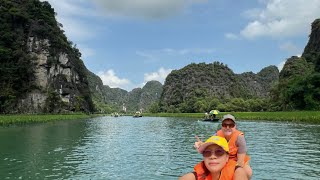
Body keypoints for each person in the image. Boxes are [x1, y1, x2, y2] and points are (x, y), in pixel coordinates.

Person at [194, 114, 252, 179]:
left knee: (247, 172)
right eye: (225, 125)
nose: (227, 127)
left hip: (236, 160)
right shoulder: (217, 134)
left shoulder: (239, 138)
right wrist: (201, 144)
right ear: (221, 126)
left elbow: (240, 161)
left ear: (235, 126)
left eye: (231, 125)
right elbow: (209, 145)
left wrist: (234, 171)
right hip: (221, 158)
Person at [179, 136, 248, 180]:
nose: (212, 156)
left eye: (219, 152)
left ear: (227, 157)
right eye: (207, 152)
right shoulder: (192, 177)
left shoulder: (238, 173)